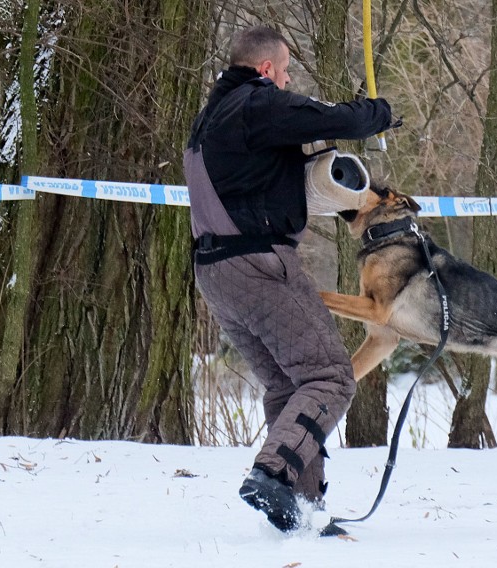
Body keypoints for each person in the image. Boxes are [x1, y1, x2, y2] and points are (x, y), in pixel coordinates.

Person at [184, 26, 396, 535]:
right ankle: (272, 473)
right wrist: (377, 113)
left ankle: (298, 512)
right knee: (330, 376)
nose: (287, 79)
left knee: (288, 383)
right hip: (258, 264)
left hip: (216, 273)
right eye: (284, 71)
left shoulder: (209, 118)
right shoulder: (255, 103)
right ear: (264, 70)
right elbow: (329, 117)